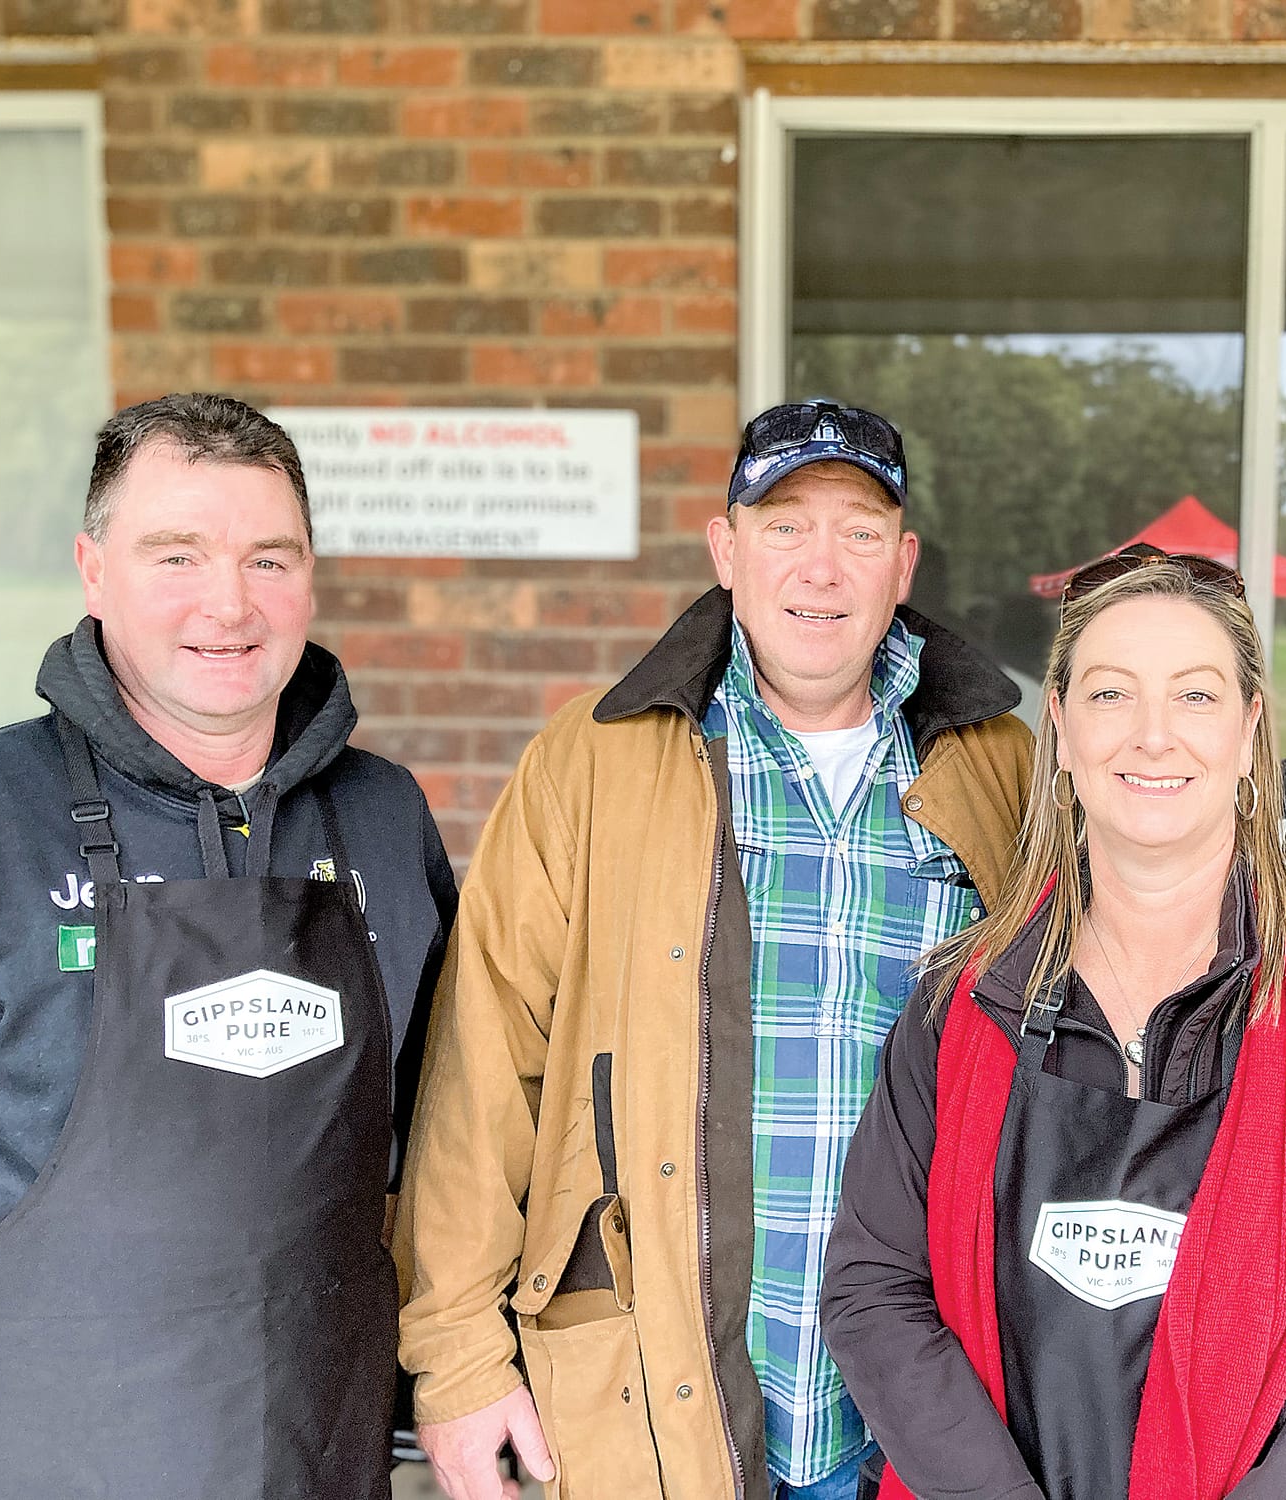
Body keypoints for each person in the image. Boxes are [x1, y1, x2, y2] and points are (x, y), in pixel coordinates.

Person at [394, 401, 1035, 1500]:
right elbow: (484, 1066)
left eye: (858, 532)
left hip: (925, 1414)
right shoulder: (589, 762)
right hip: (651, 1399)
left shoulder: (999, 770)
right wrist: (456, 1358)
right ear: (724, 549)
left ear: (902, 564)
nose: (820, 568)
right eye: (783, 526)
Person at [0, 392, 456, 1500]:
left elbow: (448, 1149)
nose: (229, 604)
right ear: (92, 570)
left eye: (269, 559)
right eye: (177, 555)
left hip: (320, 1459)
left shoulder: (383, 818)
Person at [820, 545, 1286, 1500]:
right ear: (1064, 726)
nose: (1153, 736)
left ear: (1252, 728)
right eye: (1112, 694)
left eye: (1197, 696)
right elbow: (876, 1292)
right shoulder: (961, 1007)